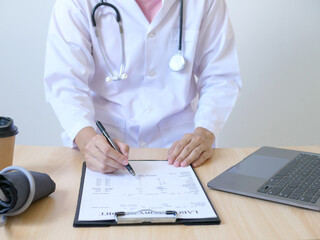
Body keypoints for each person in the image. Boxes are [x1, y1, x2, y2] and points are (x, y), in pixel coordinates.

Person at [44, 0, 242, 174]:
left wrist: (205, 132)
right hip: (104, 142)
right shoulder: (75, 3)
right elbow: (66, 82)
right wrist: (86, 139)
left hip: (181, 147)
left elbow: (220, 76)